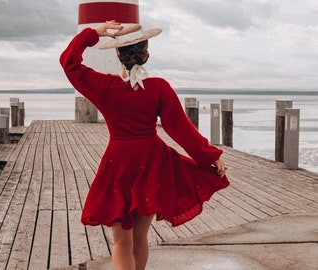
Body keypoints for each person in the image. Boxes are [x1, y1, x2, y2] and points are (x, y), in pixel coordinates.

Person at [60, 20, 229, 270]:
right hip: (151, 161)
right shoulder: (159, 87)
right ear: (146, 52)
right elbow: (179, 128)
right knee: (140, 237)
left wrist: (92, 33)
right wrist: (209, 156)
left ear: (118, 54)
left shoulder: (105, 87)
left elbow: (69, 62)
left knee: (121, 243)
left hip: (119, 161)